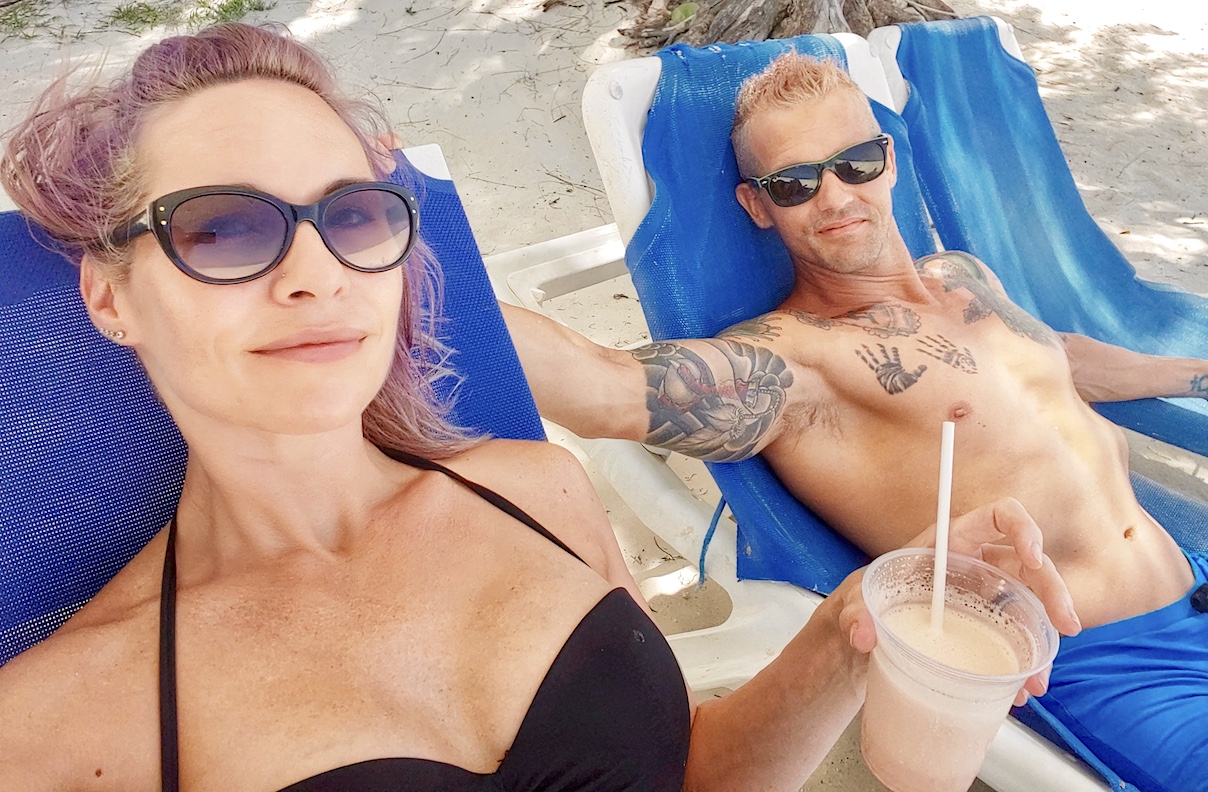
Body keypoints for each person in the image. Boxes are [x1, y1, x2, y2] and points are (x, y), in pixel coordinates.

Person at [0, 24, 1075, 792]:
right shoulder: (56, 726)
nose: (315, 275)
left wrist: (852, 629)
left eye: (355, 217)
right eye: (222, 228)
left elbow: (683, 772)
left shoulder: (537, 491)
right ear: (109, 295)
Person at [501, 52, 1208, 792]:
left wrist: (1190, 373)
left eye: (856, 163)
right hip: (1108, 664)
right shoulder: (802, 361)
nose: (836, 196)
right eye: (797, 183)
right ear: (756, 205)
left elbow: (1056, 355)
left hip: (1190, 574)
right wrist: (408, 283)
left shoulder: (960, 276)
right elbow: (605, 390)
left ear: (889, 159)